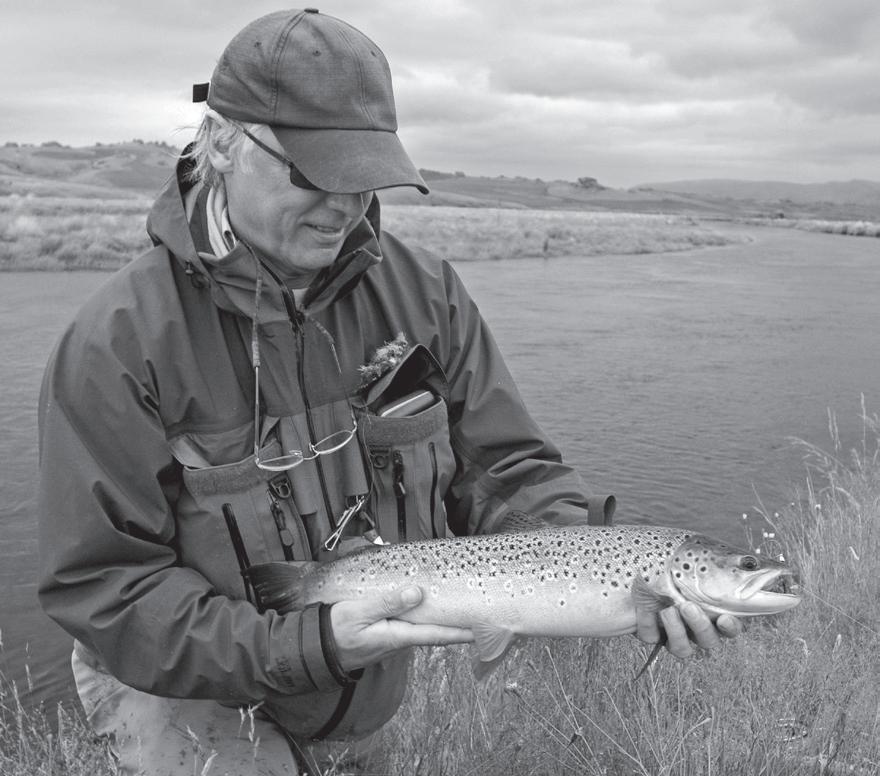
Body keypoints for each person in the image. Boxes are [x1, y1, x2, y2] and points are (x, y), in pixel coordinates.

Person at [37, 8, 741, 775]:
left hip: (359, 689)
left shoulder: (425, 296)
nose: (345, 205)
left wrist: (614, 570)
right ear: (224, 144)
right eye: (315, 173)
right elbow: (108, 585)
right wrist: (309, 642)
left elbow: (504, 472)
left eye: (364, 174)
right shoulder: (117, 344)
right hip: (188, 699)